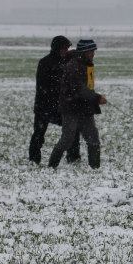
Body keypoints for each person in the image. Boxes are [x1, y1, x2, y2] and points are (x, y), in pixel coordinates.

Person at [48, 39, 107, 169]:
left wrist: (93, 98)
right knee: (67, 139)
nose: (93, 54)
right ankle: (51, 166)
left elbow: (88, 87)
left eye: (93, 51)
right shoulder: (73, 66)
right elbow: (80, 89)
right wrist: (97, 98)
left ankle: (95, 168)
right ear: (83, 52)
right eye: (90, 51)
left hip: (85, 107)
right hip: (70, 108)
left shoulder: (88, 64)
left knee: (93, 138)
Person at [28, 35, 80, 165]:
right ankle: (34, 159)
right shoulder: (45, 63)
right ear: (57, 49)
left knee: (73, 129)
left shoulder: (67, 61)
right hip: (44, 106)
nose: (66, 50)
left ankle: (73, 157)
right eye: (64, 48)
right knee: (39, 134)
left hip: (60, 106)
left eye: (68, 48)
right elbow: (44, 86)